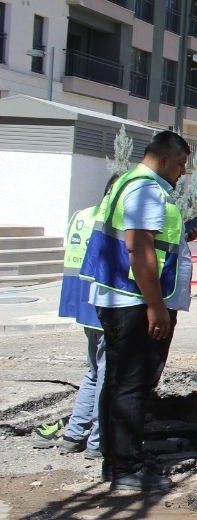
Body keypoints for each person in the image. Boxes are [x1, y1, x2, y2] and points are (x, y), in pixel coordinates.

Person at [80, 131, 192, 493]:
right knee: (133, 385)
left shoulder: (127, 182)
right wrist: (156, 306)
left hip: (120, 298)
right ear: (164, 159)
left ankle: (115, 461)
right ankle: (128, 468)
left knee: (117, 382)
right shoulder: (146, 189)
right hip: (135, 303)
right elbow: (139, 248)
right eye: (180, 164)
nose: (182, 171)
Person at [32, 174, 120, 458]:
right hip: (105, 303)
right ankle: (98, 442)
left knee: (94, 372)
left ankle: (74, 434)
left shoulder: (82, 215)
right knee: (108, 376)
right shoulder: (111, 219)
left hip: (82, 303)